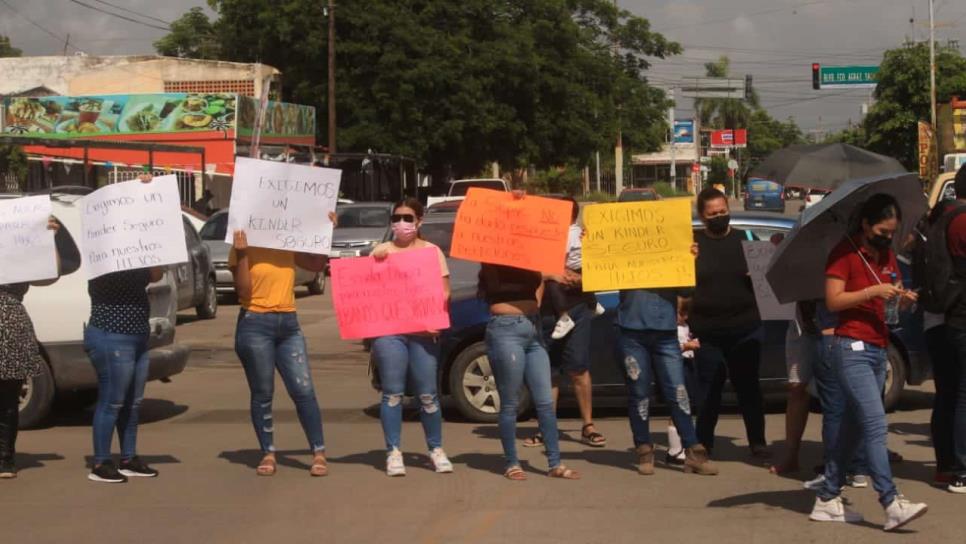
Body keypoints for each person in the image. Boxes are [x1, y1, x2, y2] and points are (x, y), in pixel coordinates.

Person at [809, 193, 927, 531]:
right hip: (850, 347)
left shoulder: (887, 255)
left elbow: (893, 291)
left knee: (854, 426)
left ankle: (828, 496)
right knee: (875, 423)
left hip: (878, 347)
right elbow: (833, 300)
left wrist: (902, 299)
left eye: (891, 232)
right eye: (882, 230)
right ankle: (890, 501)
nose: (887, 237)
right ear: (865, 224)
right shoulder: (844, 254)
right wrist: (872, 293)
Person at [479, 192, 580, 481]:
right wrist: (547, 274)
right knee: (510, 402)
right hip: (505, 330)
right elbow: (500, 284)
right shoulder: (491, 253)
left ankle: (554, 463)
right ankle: (512, 462)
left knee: (545, 401)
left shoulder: (530, 252)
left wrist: (547, 277)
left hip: (531, 327)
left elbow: (539, 283)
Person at [229, 212, 335, 477]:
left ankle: (318, 452)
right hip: (255, 322)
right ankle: (268, 452)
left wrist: (325, 232)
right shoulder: (242, 242)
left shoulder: (285, 239)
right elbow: (243, 291)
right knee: (263, 393)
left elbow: (314, 264)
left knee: (303, 390)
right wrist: (242, 254)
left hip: (288, 323)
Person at [369, 198, 454, 476]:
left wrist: (434, 318)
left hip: (423, 334)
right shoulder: (381, 251)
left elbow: (444, 291)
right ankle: (393, 451)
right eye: (397, 218)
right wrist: (375, 262)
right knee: (392, 394)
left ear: (419, 221)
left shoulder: (432, 252)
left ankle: (436, 449)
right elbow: (365, 291)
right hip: (390, 332)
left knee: (428, 394)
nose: (402, 223)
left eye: (407, 218)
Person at [689, 187, 769, 458]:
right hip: (707, 332)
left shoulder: (748, 238)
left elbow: (769, 284)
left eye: (723, 212)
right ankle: (704, 443)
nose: (719, 217)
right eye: (713, 214)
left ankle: (757, 441)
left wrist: (757, 275)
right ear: (702, 216)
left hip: (746, 329)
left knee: (749, 388)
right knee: (708, 390)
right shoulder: (692, 245)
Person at [524, 198, 606, 450]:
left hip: (579, 308)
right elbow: (529, 270)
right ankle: (546, 427)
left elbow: (603, 268)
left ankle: (588, 426)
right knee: (549, 372)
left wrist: (576, 278)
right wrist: (551, 274)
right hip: (547, 312)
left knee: (578, 368)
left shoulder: (584, 238)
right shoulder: (538, 238)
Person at [615, 277, 717, 476]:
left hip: (666, 332)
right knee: (639, 392)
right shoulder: (624, 247)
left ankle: (693, 451)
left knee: (678, 391)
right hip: (631, 330)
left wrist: (688, 261)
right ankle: (644, 449)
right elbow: (602, 276)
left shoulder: (670, 249)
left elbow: (687, 290)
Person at [0, 216, 61, 479]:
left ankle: (4, 458)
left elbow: (50, 274)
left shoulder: (16, 241)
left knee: (8, 397)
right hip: (12, 324)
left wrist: (50, 239)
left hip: (11, 326)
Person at [937, 165, 966, 494]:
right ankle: (961, 468)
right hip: (961, 316)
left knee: (955, 393)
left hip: (952, 315)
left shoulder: (945, 216)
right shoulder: (962, 220)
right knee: (962, 395)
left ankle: (954, 465)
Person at [547, 197, 603, 340]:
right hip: (582, 268)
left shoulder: (566, 234)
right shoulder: (579, 230)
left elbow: (561, 261)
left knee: (553, 282)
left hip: (571, 269)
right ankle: (594, 303)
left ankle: (564, 318)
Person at [665, 321, 701, 465]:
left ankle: (682, 446)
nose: (685, 317)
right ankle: (674, 450)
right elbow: (668, 349)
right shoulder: (669, 327)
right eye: (681, 313)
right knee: (677, 407)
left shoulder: (687, 325)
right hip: (677, 366)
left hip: (688, 365)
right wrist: (686, 346)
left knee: (687, 407)